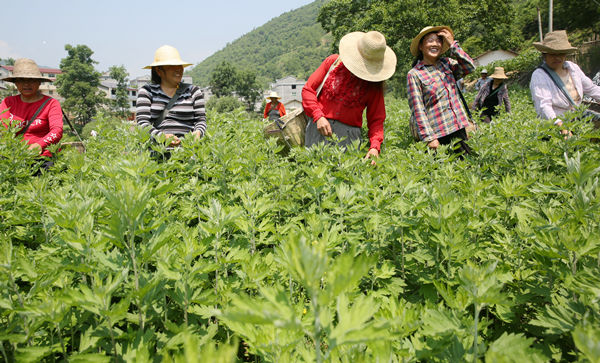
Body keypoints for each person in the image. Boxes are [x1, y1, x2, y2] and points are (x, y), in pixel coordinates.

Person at [302, 30, 397, 164]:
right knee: (313, 175)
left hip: (348, 138)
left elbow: (377, 119)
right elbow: (308, 90)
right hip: (319, 128)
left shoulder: (374, 85)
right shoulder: (333, 63)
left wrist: (375, 147)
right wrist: (318, 116)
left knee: (344, 177)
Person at [407, 26, 475, 154]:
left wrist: (452, 44)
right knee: (442, 171)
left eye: (438, 41)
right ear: (421, 46)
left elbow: (469, 67)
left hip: (458, 128)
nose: (435, 44)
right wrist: (429, 138)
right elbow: (417, 109)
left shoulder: (447, 64)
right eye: (430, 40)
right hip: (438, 135)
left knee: (466, 167)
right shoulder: (415, 74)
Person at [530, 30, 600, 136]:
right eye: (553, 54)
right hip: (554, 122)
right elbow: (544, 106)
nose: (557, 57)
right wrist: (560, 126)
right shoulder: (539, 75)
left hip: (576, 119)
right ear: (544, 55)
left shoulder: (572, 68)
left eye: (561, 53)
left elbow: (591, 89)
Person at [136, 45, 206, 148]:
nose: (178, 69)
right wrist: (162, 137)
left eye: (179, 65)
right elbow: (142, 123)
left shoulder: (193, 91)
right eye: (172, 66)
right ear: (159, 71)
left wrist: (198, 132)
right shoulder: (147, 92)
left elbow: (201, 120)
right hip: (158, 152)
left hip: (187, 151)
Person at [0, 58, 63, 171]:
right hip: (15, 158)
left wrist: (39, 145)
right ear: (15, 83)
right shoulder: (8, 102)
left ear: (39, 82)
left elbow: (57, 130)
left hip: (43, 158)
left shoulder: (51, 103)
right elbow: (3, 130)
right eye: (21, 80)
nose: (26, 84)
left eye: (32, 80)